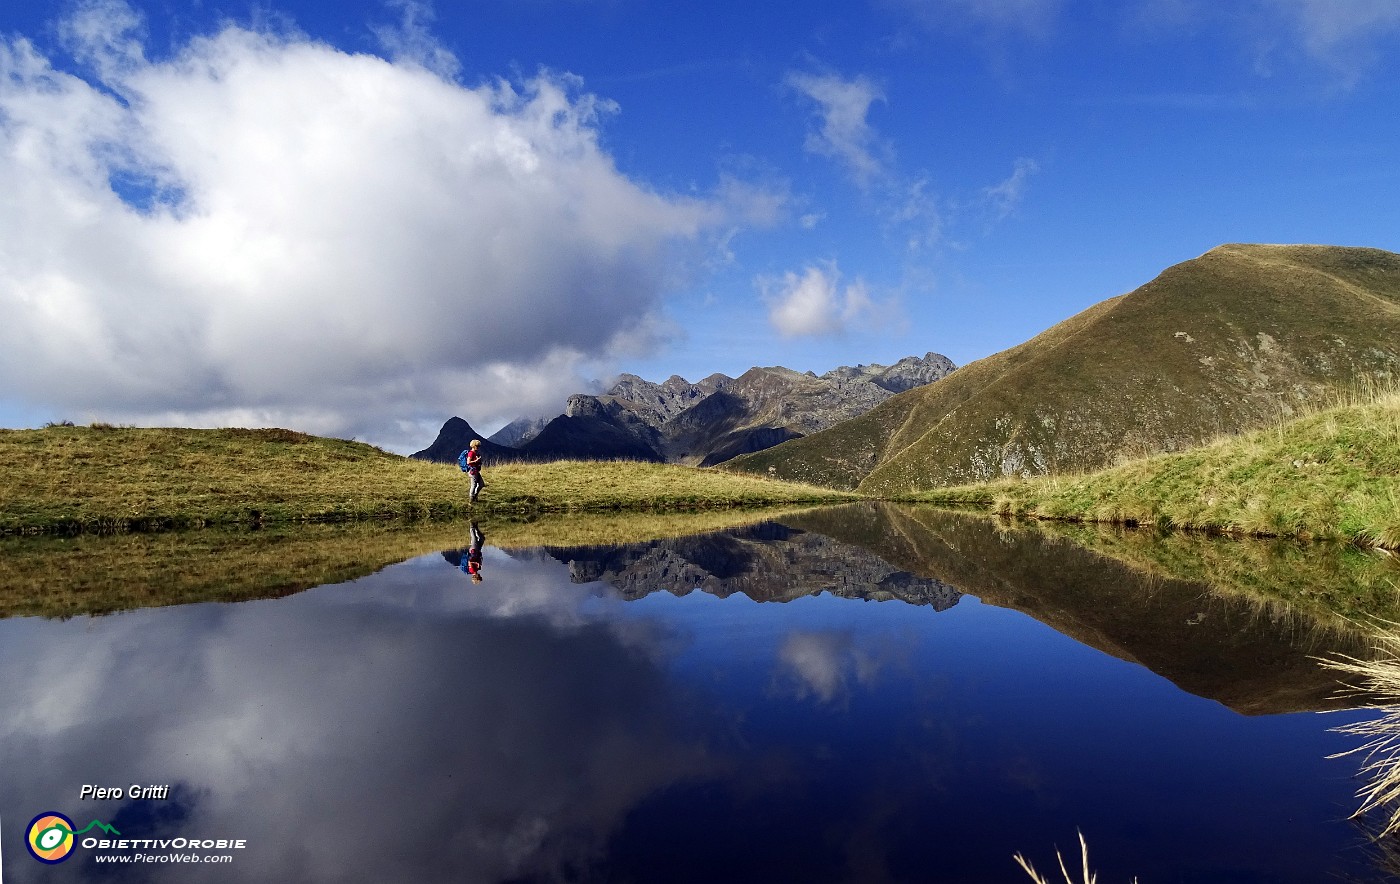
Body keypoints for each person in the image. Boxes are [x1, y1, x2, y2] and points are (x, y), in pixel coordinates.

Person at [462, 439, 486, 503]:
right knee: (474, 485)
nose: (478, 447)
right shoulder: (471, 453)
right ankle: (471, 499)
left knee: (481, 484)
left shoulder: (476, 453)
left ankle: (474, 496)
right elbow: (468, 462)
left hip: (476, 471)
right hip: (472, 471)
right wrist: (476, 461)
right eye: (477, 446)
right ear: (473, 446)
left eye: (478, 446)